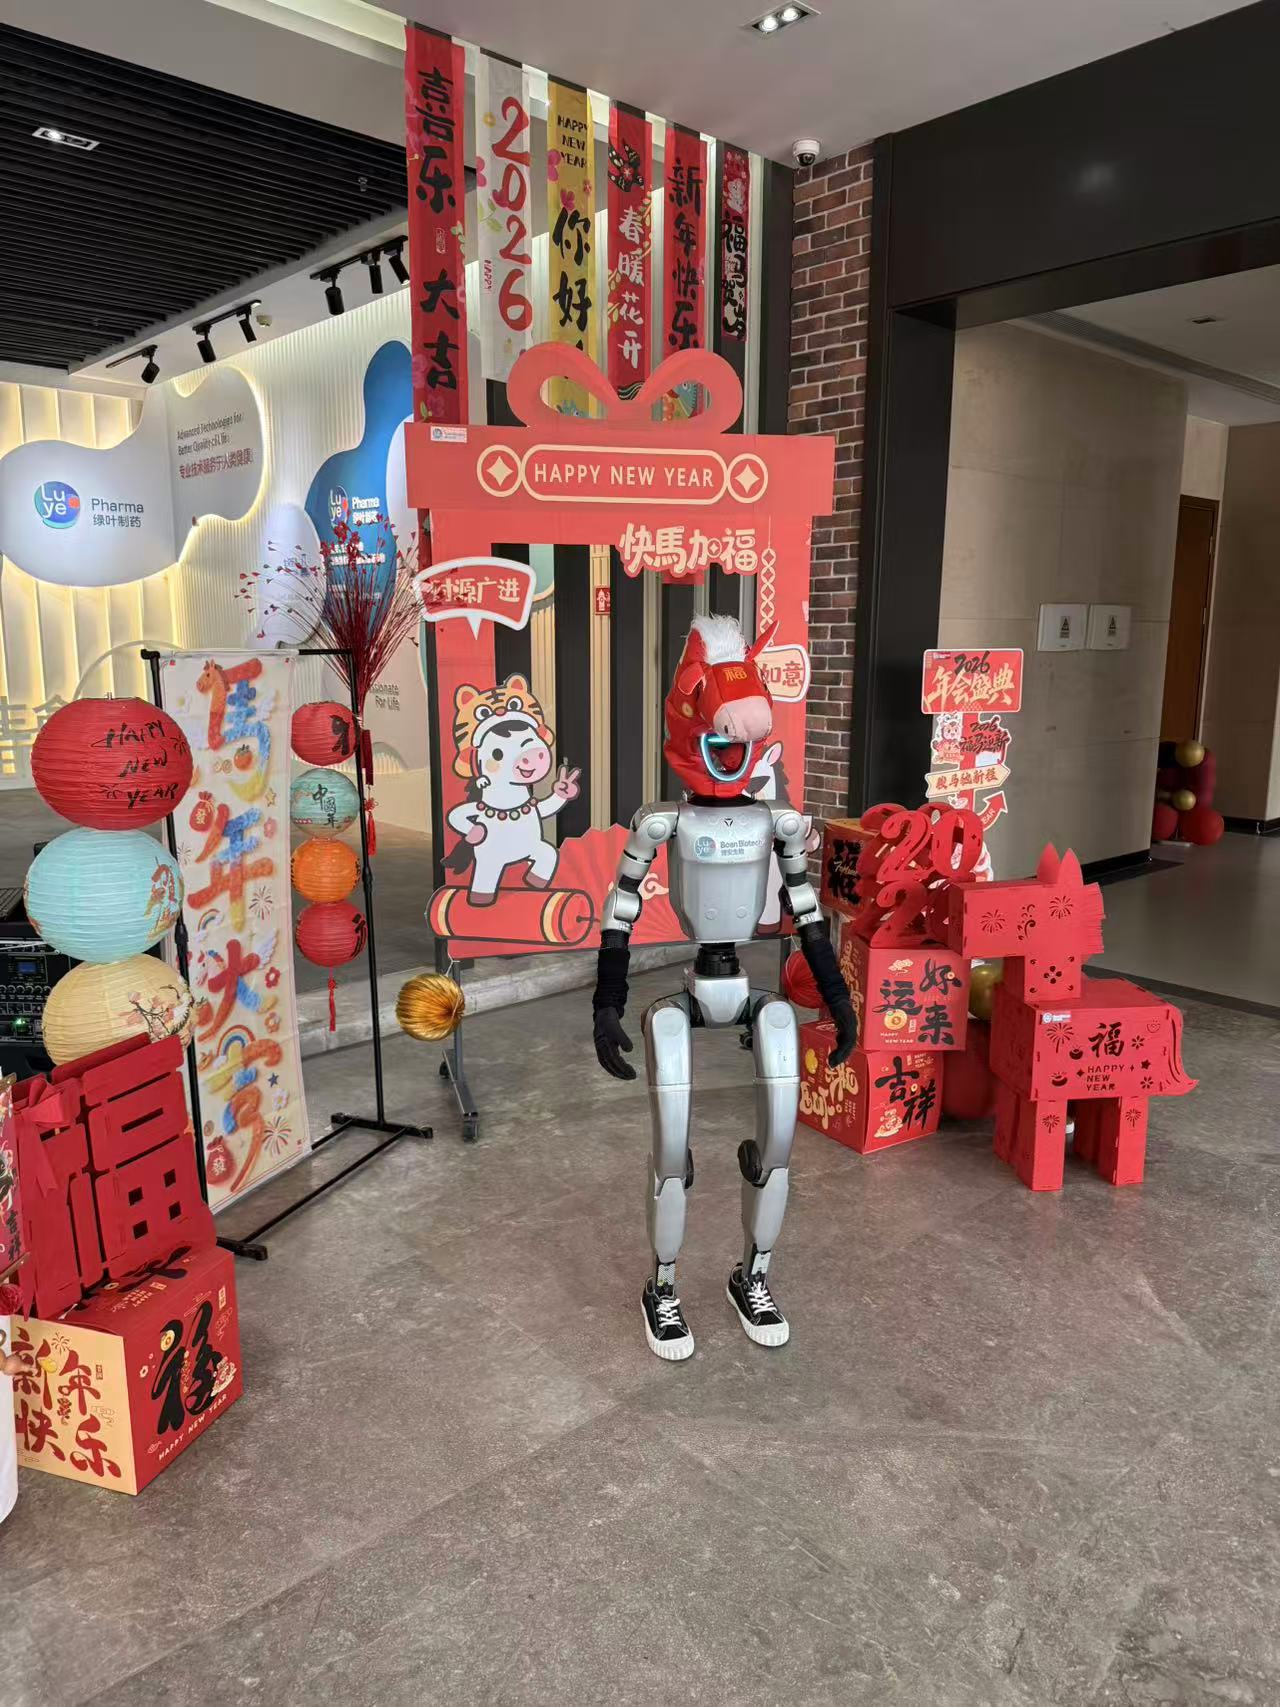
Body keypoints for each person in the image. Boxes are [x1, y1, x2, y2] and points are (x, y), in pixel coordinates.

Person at [592, 615, 856, 1362]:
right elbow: (620, 908)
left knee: (779, 1138)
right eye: (722, 736)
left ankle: (754, 1275)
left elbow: (807, 912)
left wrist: (838, 1000)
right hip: (685, 995)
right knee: (670, 1147)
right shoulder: (662, 822)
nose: (732, 751)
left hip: (747, 987)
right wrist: (607, 1002)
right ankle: (663, 1286)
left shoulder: (777, 822)